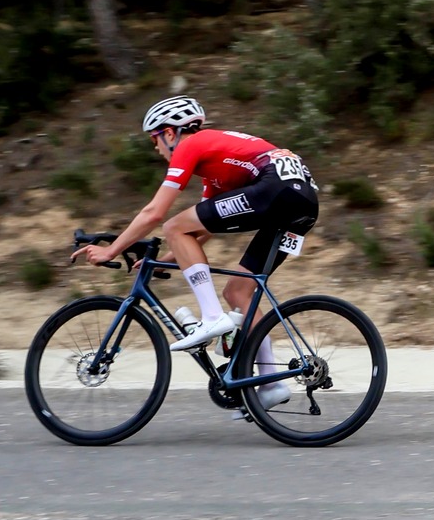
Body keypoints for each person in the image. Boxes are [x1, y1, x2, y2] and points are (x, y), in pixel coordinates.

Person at [70, 96, 319, 407]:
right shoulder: (216, 166)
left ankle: (212, 317)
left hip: (276, 191)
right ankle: (269, 384)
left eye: (155, 140)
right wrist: (164, 261)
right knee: (238, 291)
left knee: (173, 226)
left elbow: (155, 213)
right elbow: (204, 228)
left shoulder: (191, 144)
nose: (156, 149)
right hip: (302, 202)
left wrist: (111, 250)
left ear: (169, 133)